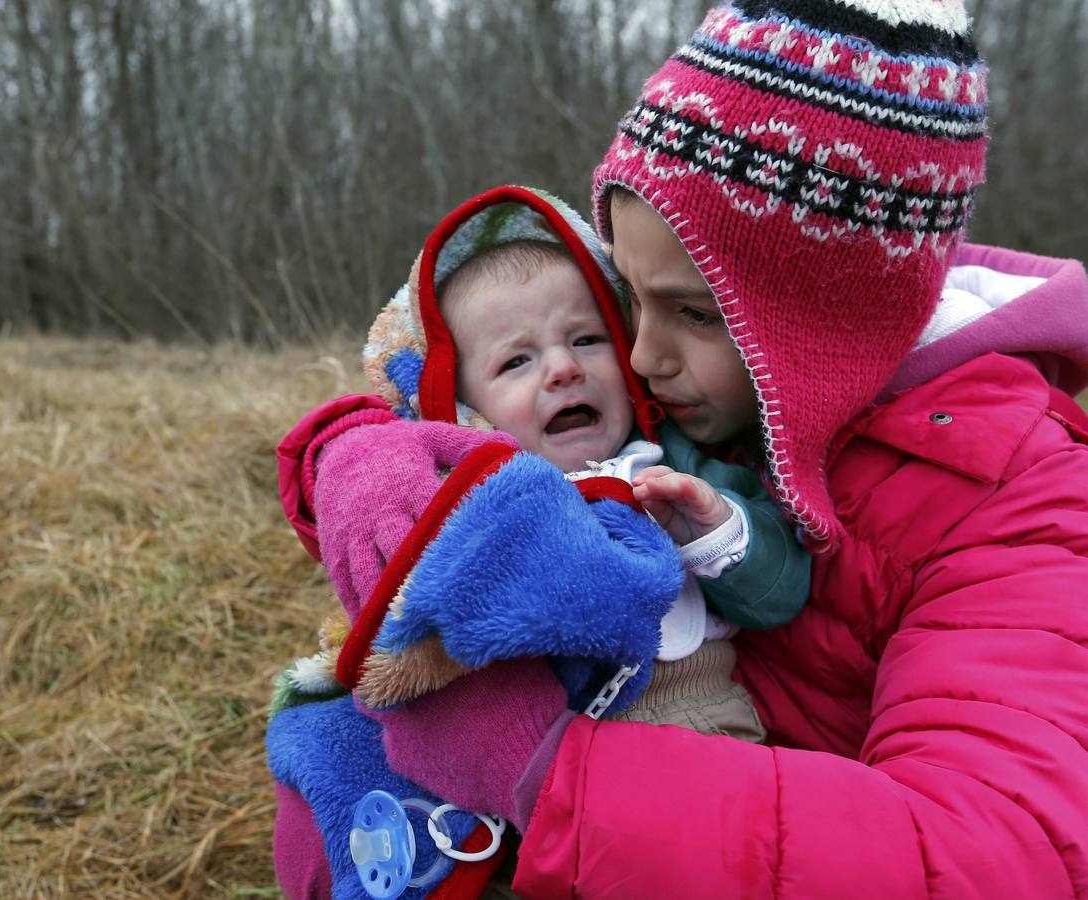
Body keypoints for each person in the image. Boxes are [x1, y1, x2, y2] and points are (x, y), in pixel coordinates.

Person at [275, 0, 1088, 896]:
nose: (636, 355)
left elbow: (994, 858)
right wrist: (348, 455)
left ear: (834, 325)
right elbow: (470, 413)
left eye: (697, 313)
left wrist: (546, 775)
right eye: (628, 296)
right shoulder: (701, 395)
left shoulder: (1025, 506)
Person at [269, 187, 808, 897]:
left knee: (721, 861)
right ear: (466, 407)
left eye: (585, 340)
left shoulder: (671, 464)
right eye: (515, 363)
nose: (562, 368)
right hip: (520, 764)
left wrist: (716, 528)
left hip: (696, 722)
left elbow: (783, 589)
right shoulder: (471, 499)